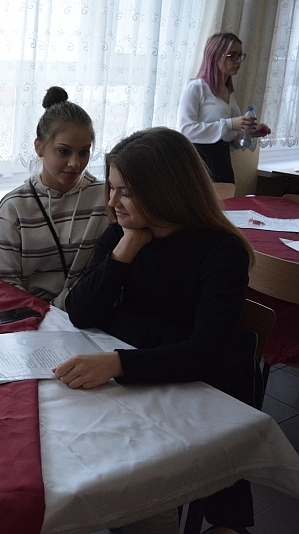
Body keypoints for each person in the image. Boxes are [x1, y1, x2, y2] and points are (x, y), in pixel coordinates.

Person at [55, 127, 257, 534]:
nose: (112, 202)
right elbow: (80, 311)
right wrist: (124, 252)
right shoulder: (122, 232)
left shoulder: (221, 251)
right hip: (150, 383)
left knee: (136, 482)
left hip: (204, 396)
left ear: (165, 191)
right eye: (112, 188)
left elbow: (203, 354)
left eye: (125, 192)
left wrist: (118, 359)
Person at [0, 86, 108, 309]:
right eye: (64, 151)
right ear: (39, 147)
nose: (75, 163)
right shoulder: (13, 208)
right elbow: (5, 286)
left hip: (90, 315)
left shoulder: (106, 198)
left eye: (84, 152)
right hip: (33, 317)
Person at [177, 32, 271, 185]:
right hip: (198, 161)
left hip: (222, 160)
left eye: (240, 55)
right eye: (232, 56)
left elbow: (227, 136)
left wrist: (248, 131)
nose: (238, 61)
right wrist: (230, 123)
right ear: (215, 56)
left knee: (228, 199)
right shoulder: (196, 88)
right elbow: (185, 130)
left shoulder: (229, 92)